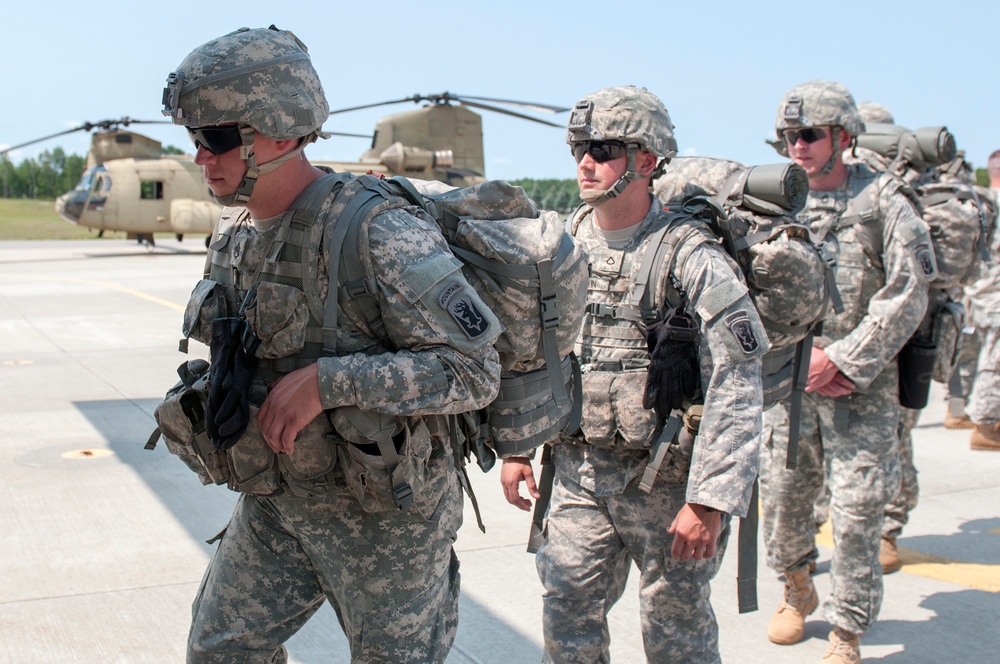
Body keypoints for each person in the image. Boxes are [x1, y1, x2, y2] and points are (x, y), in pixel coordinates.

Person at [160, 26, 501, 663]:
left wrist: (328, 383)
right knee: (219, 650)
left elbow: (474, 370)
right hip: (280, 502)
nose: (202, 158)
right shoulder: (233, 237)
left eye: (216, 138)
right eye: (194, 140)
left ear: (281, 133)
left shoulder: (378, 230)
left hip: (386, 520)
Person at [500, 85, 768, 663]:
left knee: (677, 635)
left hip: (667, 483)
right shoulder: (558, 245)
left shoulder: (691, 255)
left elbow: (738, 382)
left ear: (646, 162)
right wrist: (518, 446)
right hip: (576, 472)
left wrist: (711, 500)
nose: (585, 162)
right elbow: (528, 349)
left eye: (603, 147)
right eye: (578, 148)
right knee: (566, 617)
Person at [758, 80, 935, 664]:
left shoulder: (886, 200)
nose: (798, 147)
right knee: (783, 500)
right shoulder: (777, 198)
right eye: (789, 137)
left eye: (809, 135)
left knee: (857, 511)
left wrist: (846, 358)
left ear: (843, 137)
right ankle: (795, 586)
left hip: (861, 386)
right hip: (792, 382)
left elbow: (909, 291)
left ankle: (847, 629)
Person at [963, 150, 1000, 449]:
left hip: (977, 292)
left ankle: (964, 410)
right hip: (995, 295)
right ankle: (986, 426)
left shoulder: (977, 202)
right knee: (995, 359)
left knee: (979, 355)